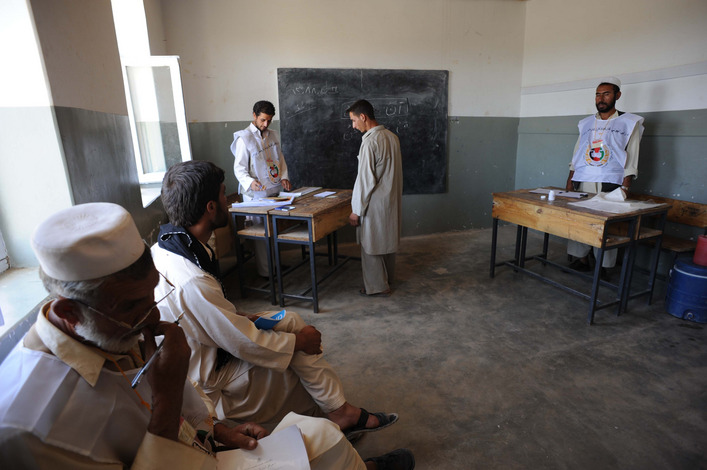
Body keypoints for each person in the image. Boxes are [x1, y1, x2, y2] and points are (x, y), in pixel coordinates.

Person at [0, 202, 414, 470]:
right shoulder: (31, 428)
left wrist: (215, 431)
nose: (151, 319)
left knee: (320, 433)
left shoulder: (108, 331)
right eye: (131, 308)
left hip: (199, 451)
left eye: (151, 298)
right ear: (69, 312)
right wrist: (167, 398)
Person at [152, 161, 399, 439]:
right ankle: (338, 414)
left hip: (207, 345)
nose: (228, 200)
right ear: (210, 207)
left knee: (289, 319)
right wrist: (298, 342)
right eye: (223, 194)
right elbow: (242, 342)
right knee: (300, 343)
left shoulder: (168, 246)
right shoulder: (192, 280)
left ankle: (337, 410)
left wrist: (244, 318)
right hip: (211, 374)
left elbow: (207, 317)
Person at [565, 77, 644, 273]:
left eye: (606, 94)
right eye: (598, 94)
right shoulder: (586, 123)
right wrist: (570, 180)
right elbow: (578, 152)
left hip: (611, 181)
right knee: (581, 219)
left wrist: (625, 185)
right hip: (585, 180)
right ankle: (581, 258)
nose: (601, 98)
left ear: (617, 96)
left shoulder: (628, 123)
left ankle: (604, 266)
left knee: (606, 224)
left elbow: (632, 156)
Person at [347, 99, 403, 297]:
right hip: (390, 200)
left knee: (370, 245)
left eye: (354, 120)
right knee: (386, 241)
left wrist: (356, 210)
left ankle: (378, 286)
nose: (353, 126)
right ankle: (388, 279)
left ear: (363, 117)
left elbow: (365, 181)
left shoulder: (370, 142)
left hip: (374, 202)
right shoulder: (392, 137)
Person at [230, 100, 291, 277]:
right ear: (254, 116)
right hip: (255, 195)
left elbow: (280, 159)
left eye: (269, 121)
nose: (265, 124)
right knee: (262, 233)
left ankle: (276, 267)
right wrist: (249, 182)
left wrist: (285, 177)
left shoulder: (272, 135)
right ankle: (267, 273)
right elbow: (239, 168)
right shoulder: (245, 138)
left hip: (273, 191)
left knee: (274, 230)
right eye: (263, 120)